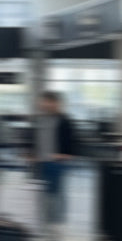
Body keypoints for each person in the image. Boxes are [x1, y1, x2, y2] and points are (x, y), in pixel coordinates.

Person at [34, 90, 77, 224]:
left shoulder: (65, 120)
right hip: (41, 162)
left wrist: (65, 155)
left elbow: (72, 142)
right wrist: (33, 154)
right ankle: (45, 222)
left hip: (57, 162)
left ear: (56, 103)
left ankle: (57, 223)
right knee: (44, 194)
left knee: (56, 194)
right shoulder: (40, 120)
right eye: (43, 102)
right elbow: (36, 139)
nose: (43, 104)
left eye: (47, 102)